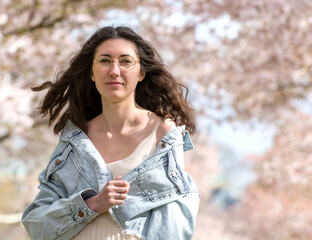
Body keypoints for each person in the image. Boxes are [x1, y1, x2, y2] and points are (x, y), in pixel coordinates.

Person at [22, 26, 199, 240]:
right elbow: (36, 221)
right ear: (92, 73)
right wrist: (92, 203)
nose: (114, 70)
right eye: (105, 61)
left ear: (141, 73)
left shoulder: (163, 133)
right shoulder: (75, 138)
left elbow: (175, 218)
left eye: (125, 61)